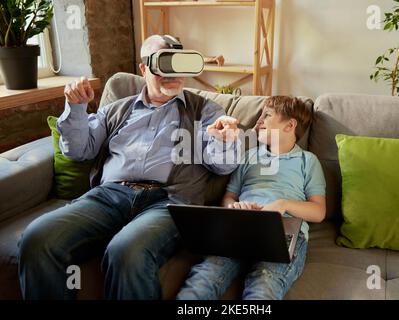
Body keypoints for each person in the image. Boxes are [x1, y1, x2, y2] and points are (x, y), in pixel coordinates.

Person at [17, 35, 240, 300]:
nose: (173, 73)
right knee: (37, 238)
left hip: (168, 203)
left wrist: (224, 139)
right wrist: (76, 108)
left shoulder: (205, 111)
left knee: (126, 251)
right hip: (108, 197)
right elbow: (78, 151)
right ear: (144, 69)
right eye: (164, 63)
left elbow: (223, 166)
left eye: (179, 63)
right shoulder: (116, 110)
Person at [176, 96, 326, 300]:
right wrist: (235, 206)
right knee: (203, 280)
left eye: (267, 115)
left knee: (264, 287)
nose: (258, 121)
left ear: (290, 125)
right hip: (240, 226)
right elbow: (229, 197)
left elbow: (318, 212)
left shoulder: (307, 161)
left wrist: (283, 204)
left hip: (284, 230)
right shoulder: (249, 156)